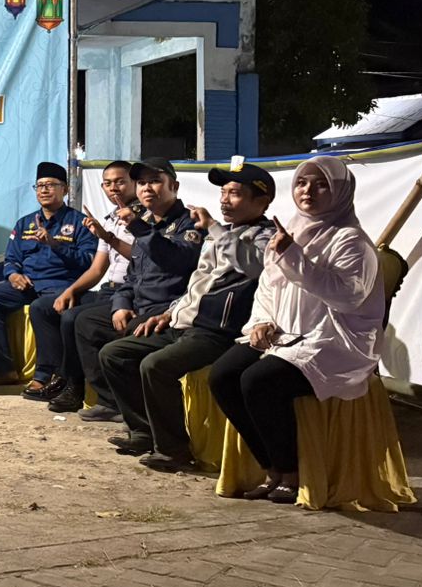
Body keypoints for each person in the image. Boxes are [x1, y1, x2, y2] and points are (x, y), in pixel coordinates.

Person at [209, 156, 385, 505]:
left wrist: (294, 257)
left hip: (332, 339)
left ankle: (291, 473)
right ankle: (271, 467)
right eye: (303, 183)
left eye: (322, 185)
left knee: (259, 381)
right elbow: (267, 287)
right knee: (223, 375)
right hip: (283, 332)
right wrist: (261, 321)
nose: (308, 191)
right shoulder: (291, 229)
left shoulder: (351, 241)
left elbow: (347, 296)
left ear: (340, 192)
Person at [98, 160, 275, 467]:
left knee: (155, 365)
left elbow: (253, 264)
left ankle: (174, 450)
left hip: (217, 331)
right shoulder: (220, 233)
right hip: (184, 321)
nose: (224, 200)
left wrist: (214, 228)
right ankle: (144, 431)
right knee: (114, 353)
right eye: (222, 192)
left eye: (234, 193)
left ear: (262, 201)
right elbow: (197, 284)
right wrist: (170, 313)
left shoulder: (265, 235)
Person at [71, 158, 202, 424]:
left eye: (155, 181)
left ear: (174, 186)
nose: (147, 188)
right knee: (86, 322)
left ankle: (144, 424)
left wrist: (139, 228)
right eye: (141, 183)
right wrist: (121, 304)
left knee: (127, 338)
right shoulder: (144, 221)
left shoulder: (190, 223)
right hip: (139, 305)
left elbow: (175, 260)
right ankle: (110, 402)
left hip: (168, 310)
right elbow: (132, 275)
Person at [0, 163, 98, 387]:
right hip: (27, 284)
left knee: (41, 308)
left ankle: (46, 376)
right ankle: (2, 369)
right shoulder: (25, 222)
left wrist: (55, 244)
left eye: (51, 185)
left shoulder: (79, 222)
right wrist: (12, 275)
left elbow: (89, 262)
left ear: (65, 189)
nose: (44, 190)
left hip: (61, 284)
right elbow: (11, 259)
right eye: (40, 185)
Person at [43, 161, 141, 409]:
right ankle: (58, 377)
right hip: (109, 290)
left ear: (134, 183)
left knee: (73, 318)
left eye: (120, 182)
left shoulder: (144, 218)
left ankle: (75, 386)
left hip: (131, 293)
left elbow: (144, 257)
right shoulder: (109, 220)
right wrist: (71, 290)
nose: (113, 188)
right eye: (107, 183)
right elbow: (97, 269)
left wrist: (108, 237)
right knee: (47, 307)